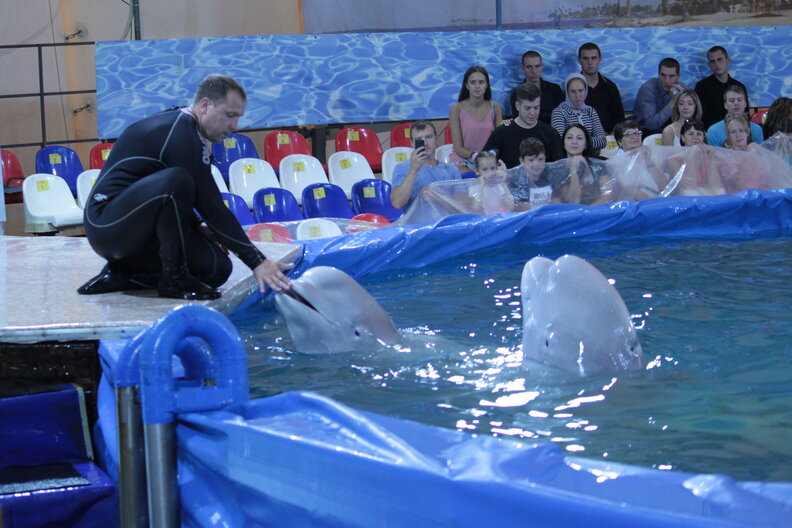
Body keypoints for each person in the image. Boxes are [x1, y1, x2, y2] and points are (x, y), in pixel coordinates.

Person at [79, 74, 292, 300]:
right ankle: (173, 281)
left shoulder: (188, 130)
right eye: (229, 116)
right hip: (107, 226)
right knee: (176, 180)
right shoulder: (180, 133)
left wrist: (197, 224)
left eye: (238, 117)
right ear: (205, 105)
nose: (235, 126)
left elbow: (180, 202)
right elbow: (212, 207)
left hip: (136, 228)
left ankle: (127, 274)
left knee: (216, 269)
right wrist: (258, 262)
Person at [484, 83, 563, 169]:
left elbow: (557, 169)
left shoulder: (550, 134)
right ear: (517, 106)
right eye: (527, 108)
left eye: (536, 108)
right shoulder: (501, 133)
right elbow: (484, 163)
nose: (532, 113)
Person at [390, 120, 461, 210]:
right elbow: (397, 203)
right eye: (419, 140)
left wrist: (437, 198)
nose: (425, 143)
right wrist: (413, 170)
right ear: (412, 143)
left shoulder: (452, 170)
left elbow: (461, 208)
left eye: (429, 137)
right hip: (417, 223)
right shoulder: (402, 168)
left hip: (446, 222)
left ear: (436, 139)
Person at [506, 137, 580, 210]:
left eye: (540, 159)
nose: (536, 164)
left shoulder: (552, 176)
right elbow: (516, 208)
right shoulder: (514, 181)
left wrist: (574, 171)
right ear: (522, 161)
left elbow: (571, 200)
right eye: (531, 160)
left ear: (545, 158)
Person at [448, 66, 502, 166]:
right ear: (467, 85)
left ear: (487, 85)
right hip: (462, 160)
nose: (477, 86)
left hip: (487, 161)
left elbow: (499, 141)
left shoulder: (495, 107)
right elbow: (458, 148)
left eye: (481, 82)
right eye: (473, 82)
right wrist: (475, 156)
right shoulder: (456, 109)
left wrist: (487, 158)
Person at [551, 73, 607, 152]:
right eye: (573, 91)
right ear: (567, 92)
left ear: (586, 90)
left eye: (580, 90)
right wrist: (587, 142)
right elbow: (561, 142)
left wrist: (576, 143)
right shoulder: (559, 112)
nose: (577, 95)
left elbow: (603, 141)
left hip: (591, 158)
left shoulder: (590, 111)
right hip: (568, 160)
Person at [694, 46, 748, 128]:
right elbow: (700, 116)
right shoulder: (702, 87)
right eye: (712, 61)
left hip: (737, 131)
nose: (717, 64)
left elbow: (745, 114)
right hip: (711, 133)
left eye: (719, 59)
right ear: (709, 65)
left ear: (728, 60)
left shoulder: (739, 87)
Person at [577, 42, 626, 134]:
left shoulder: (610, 87)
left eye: (593, 58)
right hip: (582, 138)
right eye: (585, 58)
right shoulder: (573, 88)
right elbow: (568, 117)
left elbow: (619, 119)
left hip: (609, 138)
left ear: (599, 59)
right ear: (579, 60)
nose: (590, 62)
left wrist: (613, 134)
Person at [508, 51, 564, 124]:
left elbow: (563, 115)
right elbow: (519, 121)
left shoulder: (555, 89)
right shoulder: (516, 95)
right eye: (529, 67)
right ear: (523, 69)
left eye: (537, 66)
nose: (534, 71)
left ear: (542, 67)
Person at [634, 58, 686, 133]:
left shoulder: (683, 89)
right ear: (658, 74)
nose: (667, 81)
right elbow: (652, 124)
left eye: (671, 76)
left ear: (678, 76)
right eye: (663, 75)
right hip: (646, 131)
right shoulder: (648, 89)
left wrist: (684, 99)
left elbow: (692, 119)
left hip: (673, 130)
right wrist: (673, 102)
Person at [560, 123, 609, 205]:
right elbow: (572, 200)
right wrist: (574, 171)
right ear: (563, 144)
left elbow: (608, 195)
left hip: (595, 212)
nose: (574, 142)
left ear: (586, 144)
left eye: (579, 138)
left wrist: (587, 212)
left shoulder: (599, 165)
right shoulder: (558, 169)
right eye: (569, 137)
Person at [469, 150, 514, 215]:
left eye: (492, 168)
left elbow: (511, 206)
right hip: (487, 220)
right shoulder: (475, 187)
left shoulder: (500, 185)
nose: (490, 173)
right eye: (485, 169)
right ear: (477, 171)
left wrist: (504, 184)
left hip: (503, 217)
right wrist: (481, 187)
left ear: (496, 168)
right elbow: (475, 208)